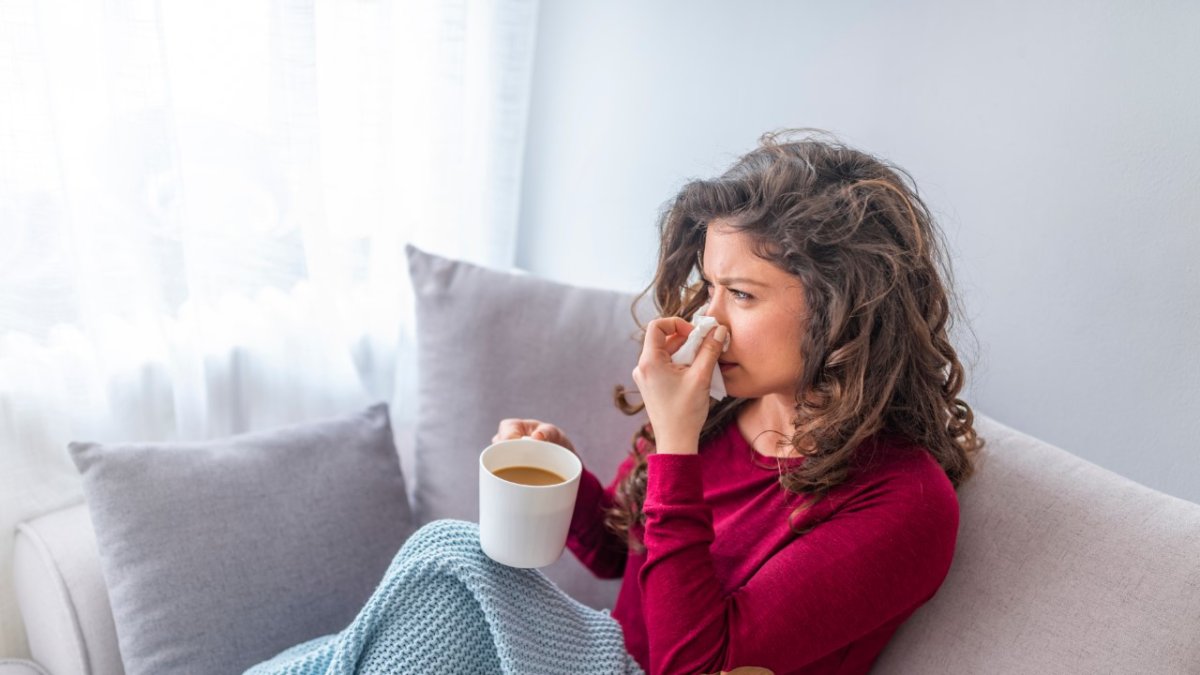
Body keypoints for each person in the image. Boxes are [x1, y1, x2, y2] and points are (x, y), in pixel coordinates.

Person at [493, 128, 982, 674]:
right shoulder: (719, 411)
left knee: (445, 558)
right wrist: (562, 473)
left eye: (742, 294)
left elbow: (696, 665)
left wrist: (675, 445)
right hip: (603, 662)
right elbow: (620, 557)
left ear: (845, 307)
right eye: (710, 287)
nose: (709, 320)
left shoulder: (905, 501)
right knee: (452, 560)